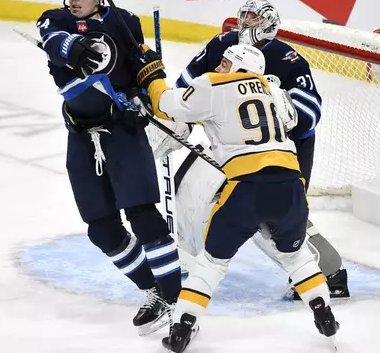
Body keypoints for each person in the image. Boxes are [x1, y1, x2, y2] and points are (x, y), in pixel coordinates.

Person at [129, 44, 340, 353]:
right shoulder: (274, 87)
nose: (220, 66)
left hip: (245, 188)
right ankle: (324, 315)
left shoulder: (212, 85)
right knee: (295, 257)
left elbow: (165, 104)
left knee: (211, 263)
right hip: (291, 184)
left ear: (239, 67)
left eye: (226, 62)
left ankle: (182, 329)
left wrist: (152, 73)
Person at [150, 0, 349, 299]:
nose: (245, 23)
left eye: (254, 18)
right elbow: (188, 89)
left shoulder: (286, 58)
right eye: (243, 16)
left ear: (268, 23)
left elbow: (310, 113)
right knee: (188, 186)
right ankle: (185, 261)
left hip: (284, 151)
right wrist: (177, 122)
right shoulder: (223, 45)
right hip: (234, 149)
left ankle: (329, 272)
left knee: (272, 217)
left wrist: (279, 110)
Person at [35, 0, 181, 335]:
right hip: (82, 138)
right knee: (100, 229)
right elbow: (54, 43)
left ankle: (177, 302)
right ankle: (153, 290)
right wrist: (75, 48)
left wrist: (150, 99)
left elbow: (141, 63)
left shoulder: (125, 22)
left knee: (144, 218)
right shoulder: (55, 20)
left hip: (122, 132)